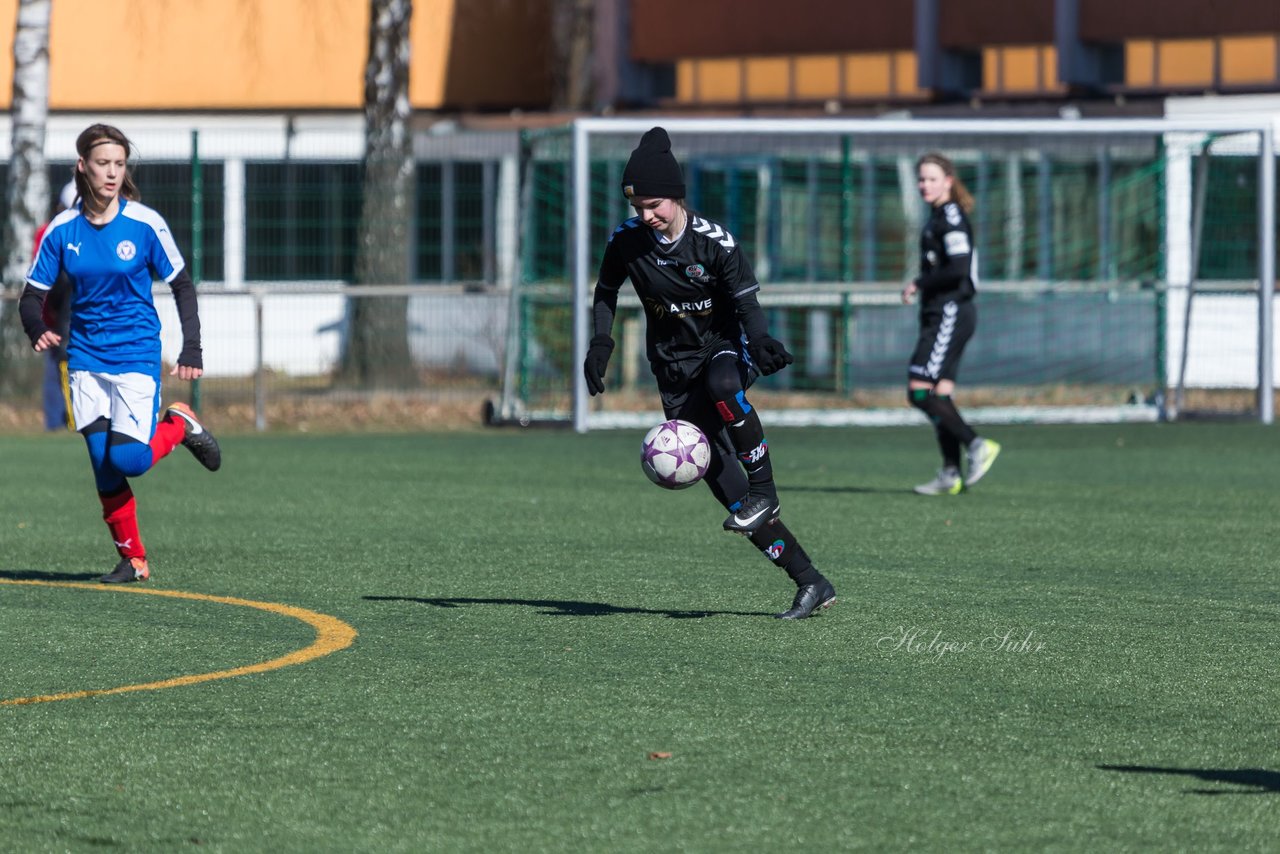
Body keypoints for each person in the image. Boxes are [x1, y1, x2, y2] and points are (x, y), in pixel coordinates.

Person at [583, 127, 835, 620]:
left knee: (725, 387)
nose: (647, 216)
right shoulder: (626, 242)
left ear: (676, 196)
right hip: (673, 372)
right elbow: (605, 291)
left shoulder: (713, 242)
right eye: (639, 209)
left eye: (654, 204)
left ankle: (767, 488)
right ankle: (810, 581)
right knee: (727, 491)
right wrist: (601, 342)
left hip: (723, 348)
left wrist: (759, 339)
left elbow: (744, 298)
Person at [19, 123, 222, 584]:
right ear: (82, 167)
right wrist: (36, 328)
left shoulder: (146, 224)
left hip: (134, 355)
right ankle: (133, 560)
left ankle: (178, 425)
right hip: (85, 359)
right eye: (103, 164)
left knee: (129, 460)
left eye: (119, 164)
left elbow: (182, 286)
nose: (112, 173)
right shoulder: (62, 229)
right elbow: (30, 296)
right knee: (102, 465)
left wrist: (192, 345)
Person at [902, 152, 1000, 495]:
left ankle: (976, 445)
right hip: (943, 311)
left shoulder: (952, 217)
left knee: (918, 390)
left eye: (931, 178)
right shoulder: (938, 216)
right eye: (921, 179)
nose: (924, 185)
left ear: (948, 181)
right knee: (939, 393)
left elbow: (959, 268)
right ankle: (950, 472)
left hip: (951, 310)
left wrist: (919, 283)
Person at [35, 181, 78, 431]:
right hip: (59, 325)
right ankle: (59, 427)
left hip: (71, 328)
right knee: (56, 385)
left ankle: (71, 426)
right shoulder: (50, 234)